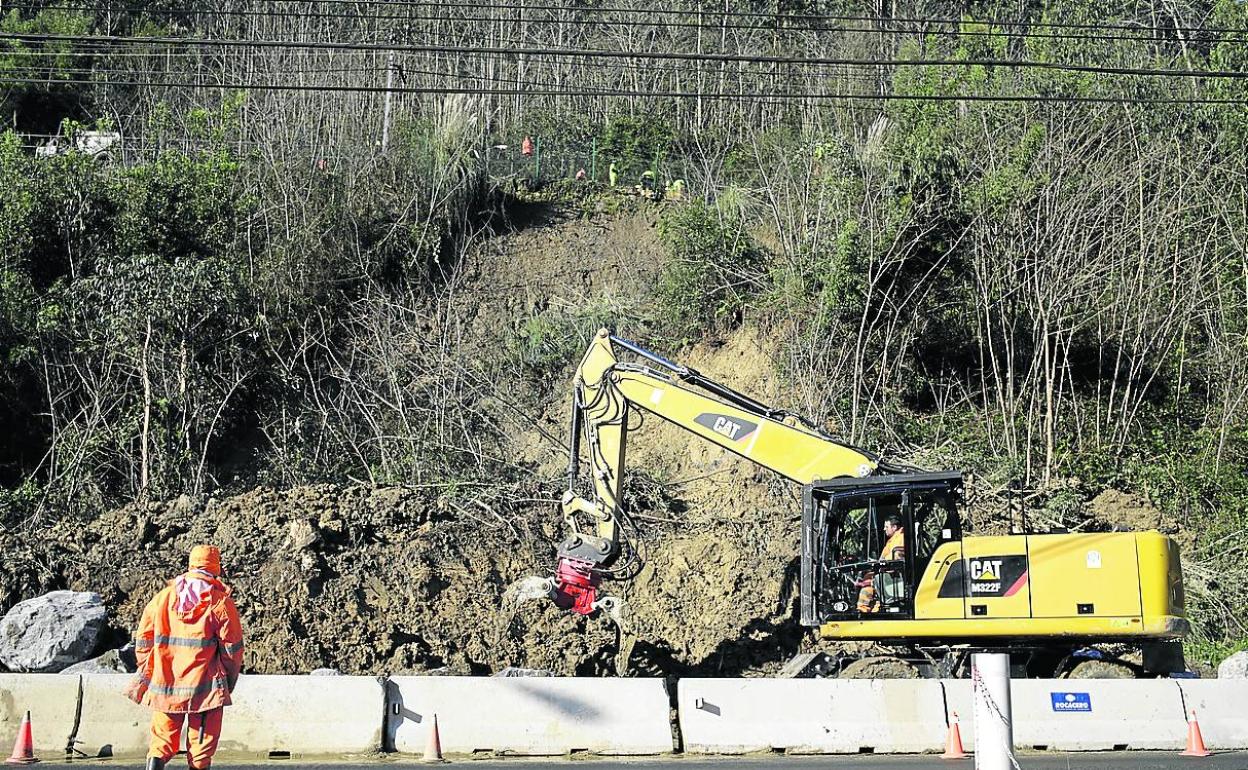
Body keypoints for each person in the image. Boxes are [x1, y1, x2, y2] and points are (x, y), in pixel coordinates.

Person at [126, 545, 244, 770]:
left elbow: (143, 639)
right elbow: (232, 648)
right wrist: (229, 680)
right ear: (216, 568)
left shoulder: (163, 598)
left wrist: (150, 668)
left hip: (166, 683)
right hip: (205, 687)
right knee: (201, 747)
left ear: (190, 565)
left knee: (161, 740)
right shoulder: (219, 602)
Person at [856, 515, 906, 613]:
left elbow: (897, 555)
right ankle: (876, 606)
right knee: (869, 576)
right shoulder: (894, 539)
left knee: (868, 578)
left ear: (894, 527)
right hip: (889, 570)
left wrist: (881, 563)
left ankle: (863, 608)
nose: (884, 529)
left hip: (895, 573)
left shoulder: (901, 537)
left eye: (886, 527)